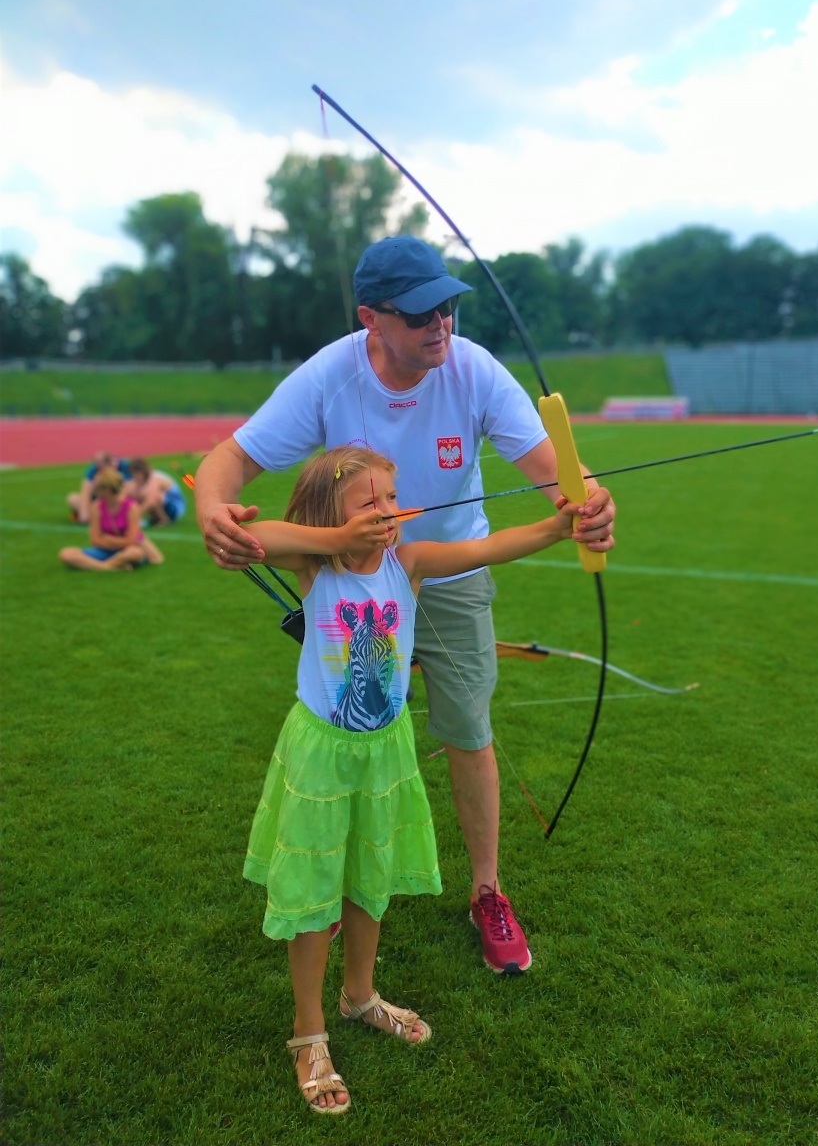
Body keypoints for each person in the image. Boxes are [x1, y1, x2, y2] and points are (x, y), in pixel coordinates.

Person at [194, 235, 616, 976]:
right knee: (342, 730)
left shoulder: (474, 369)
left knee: (466, 725)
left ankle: (487, 890)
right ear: (372, 319)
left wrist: (584, 505)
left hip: (444, 574)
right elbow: (229, 459)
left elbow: (558, 475)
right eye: (421, 313)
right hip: (354, 582)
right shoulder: (330, 375)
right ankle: (329, 879)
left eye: (448, 307)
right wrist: (211, 509)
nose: (440, 325)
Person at [243, 444, 577, 1113]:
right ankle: (308, 1033)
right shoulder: (315, 566)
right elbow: (254, 538)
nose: (387, 512)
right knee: (313, 897)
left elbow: (490, 548)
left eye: (391, 500)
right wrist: (336, 539)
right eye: (369, 502)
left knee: (371, 880)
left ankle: (359, 995)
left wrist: (559, 525)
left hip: (385, 751)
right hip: (323, 754)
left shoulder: (410, 563)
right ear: (330, 515)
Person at [59, 467, 165, 571]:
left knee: (135, 553)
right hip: (105, 550)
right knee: (66, 554)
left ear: (108, 489)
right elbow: (95, 539)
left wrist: (109, 539)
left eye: (99, 488)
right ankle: (110, 567)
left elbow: (131, 541)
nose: (95, 491)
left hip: (127, 550)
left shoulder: (131, 508)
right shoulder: (97, 507)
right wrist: (113, 542)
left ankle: (102, 565)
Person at [66, 452, 133, 524]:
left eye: (101, 467)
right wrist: (84, 513)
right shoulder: (94, 469)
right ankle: (97, 516)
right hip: (100, 500)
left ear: (110, 463)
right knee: (72, 498)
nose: (99, 469)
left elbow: (128, 489)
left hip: (117, 500)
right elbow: (85, 491)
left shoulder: (124, 466)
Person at [127, 457, 187, 525]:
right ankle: (155, 518)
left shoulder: (155, 478)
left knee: (154, 496)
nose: (135, 476)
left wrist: (135, 515)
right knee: (135, 491)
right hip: (167, 504)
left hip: (174, 508)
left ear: (142, 471)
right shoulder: (143, 479)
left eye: (136, 474)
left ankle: (164, 519)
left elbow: (152, 499)